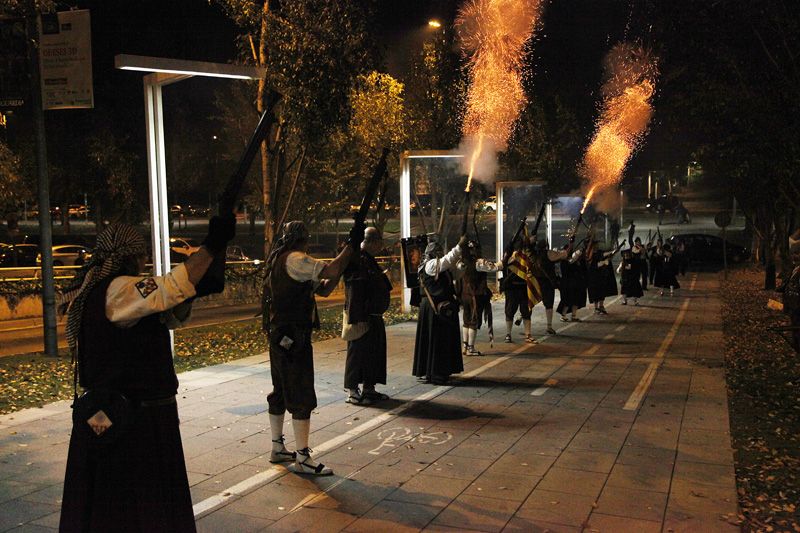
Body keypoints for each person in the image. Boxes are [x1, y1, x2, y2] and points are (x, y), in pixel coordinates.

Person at [58, 217, 235, 532]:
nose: (144, 261)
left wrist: (198, 280)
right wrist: (211, 246)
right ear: (130, 256)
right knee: (136, 508)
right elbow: (167, 287)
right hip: (133, 425)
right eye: (140, 255)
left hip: (127, 417)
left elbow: (166, 306)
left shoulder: (112, 292)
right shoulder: (118, 289)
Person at [265, 220, 364, 476]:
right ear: (303, 238)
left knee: (281, 390)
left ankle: (278, 447)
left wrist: (343, 261)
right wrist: (348, 251)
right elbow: (330, 270)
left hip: (281, 334)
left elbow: (326, 288)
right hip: (292, 335)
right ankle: (302, 457)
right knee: (301, 392)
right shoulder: (296, 259)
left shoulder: (281, 258)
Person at [342, 227, 392, 405]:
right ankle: (352, 390)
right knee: (357, 353)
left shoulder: (367, 260)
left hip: (372, 315)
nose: (381, 246)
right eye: (379, 241)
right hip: (363, 315)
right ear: (371, 241)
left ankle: (369, 389)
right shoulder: (359, 260)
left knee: (373, 353)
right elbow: (355, 289)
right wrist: (357, 317)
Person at [413, 236, 466, 385]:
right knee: (437, 341)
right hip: (434, 308)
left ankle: (438, 371)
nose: (440, 254)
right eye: (437, 252)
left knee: (442, 340)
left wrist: (463, 262)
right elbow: (447, 261)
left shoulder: (437, 266)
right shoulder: (430, 265)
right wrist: (459, 247)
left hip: (441, 308)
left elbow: (453, 272)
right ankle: (436, 373)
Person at [455, 239, 503, 356]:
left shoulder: (460, 262)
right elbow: (495, 267)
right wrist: (504, 260)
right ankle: (471, 348)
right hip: (475, 296)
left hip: (464, 295)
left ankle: (465, 346)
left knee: (466, 321)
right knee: (473, 322)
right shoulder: (479, 263)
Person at [530, 237, 570, 334]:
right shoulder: (549, 253)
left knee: (531, 301)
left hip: (534, 281)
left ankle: (522, 318)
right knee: (549, 305)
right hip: (547, 282)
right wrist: (569, 245)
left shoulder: (533, 255)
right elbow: (564, 255)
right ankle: (549, 326)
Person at [502, 238, 539, 343]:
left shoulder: (526, 257)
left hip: (524, 287)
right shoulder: (510, 257)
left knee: (526, 312)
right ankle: (508, 334)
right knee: (509, 312)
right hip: (512, 288)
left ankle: (528, 334)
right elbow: (506, 263)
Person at [586, 239, 619, 314]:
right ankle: (596, 307)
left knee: (602, 291)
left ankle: (601, 306)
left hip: (600, 275)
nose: (597, 246)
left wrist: (612, 252)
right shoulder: (588, 254)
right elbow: (592, 263)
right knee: (595, 292)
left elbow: (604, 254)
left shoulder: (599, 251)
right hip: (593, 276)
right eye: (595, 244)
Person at [556, 246, 587, 322]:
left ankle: (574, 315)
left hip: (576, 283)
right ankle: (563, 315)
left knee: (576, 300)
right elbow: (570, 262)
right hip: (567, 283)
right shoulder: (563, 261)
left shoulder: (576, 261)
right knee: (567, 300)